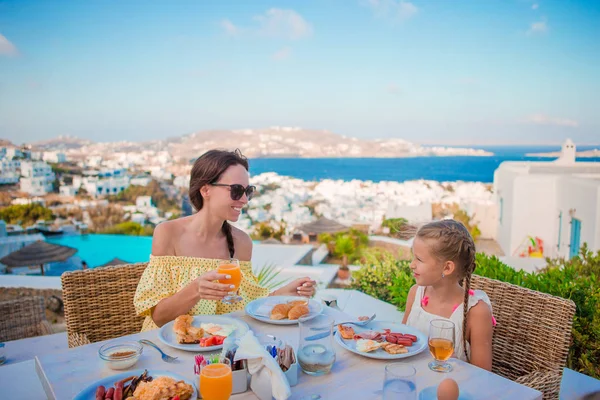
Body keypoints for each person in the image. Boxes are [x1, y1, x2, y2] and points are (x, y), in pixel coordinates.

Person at [134, 149, 317, 331]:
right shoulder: (168, 233)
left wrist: (284, 294)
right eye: (237, 190)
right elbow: (158, 318)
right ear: (205, 189)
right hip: (166, 346)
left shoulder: (242, 243)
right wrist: (196, 290)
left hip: (218, 346)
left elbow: (246, 305)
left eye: (248, 191)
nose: (244, 200)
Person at [402, 219, 494, 371]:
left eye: (419, 259)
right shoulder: (415, 293)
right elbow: (402, 340)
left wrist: (454, 365)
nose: (412, 264)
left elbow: (483, 375)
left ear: (447, 268)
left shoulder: (476, 312)